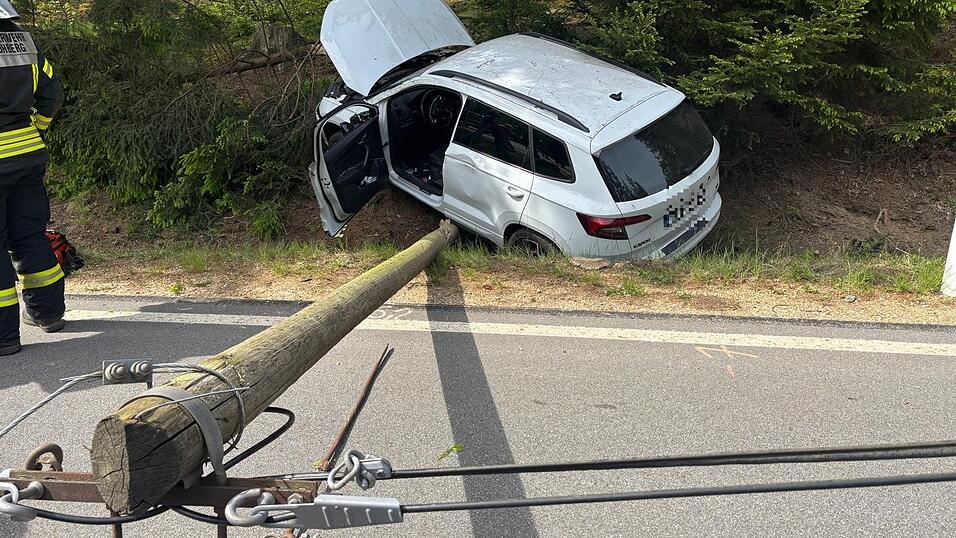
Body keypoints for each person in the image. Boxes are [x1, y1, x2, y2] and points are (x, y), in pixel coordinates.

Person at [0, 0, 66, 356]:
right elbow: (51, 96)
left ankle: (4, 337)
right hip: (27, 155)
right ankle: (49, 314)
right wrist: (35, 129)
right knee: (29, 235)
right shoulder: (25, 46)